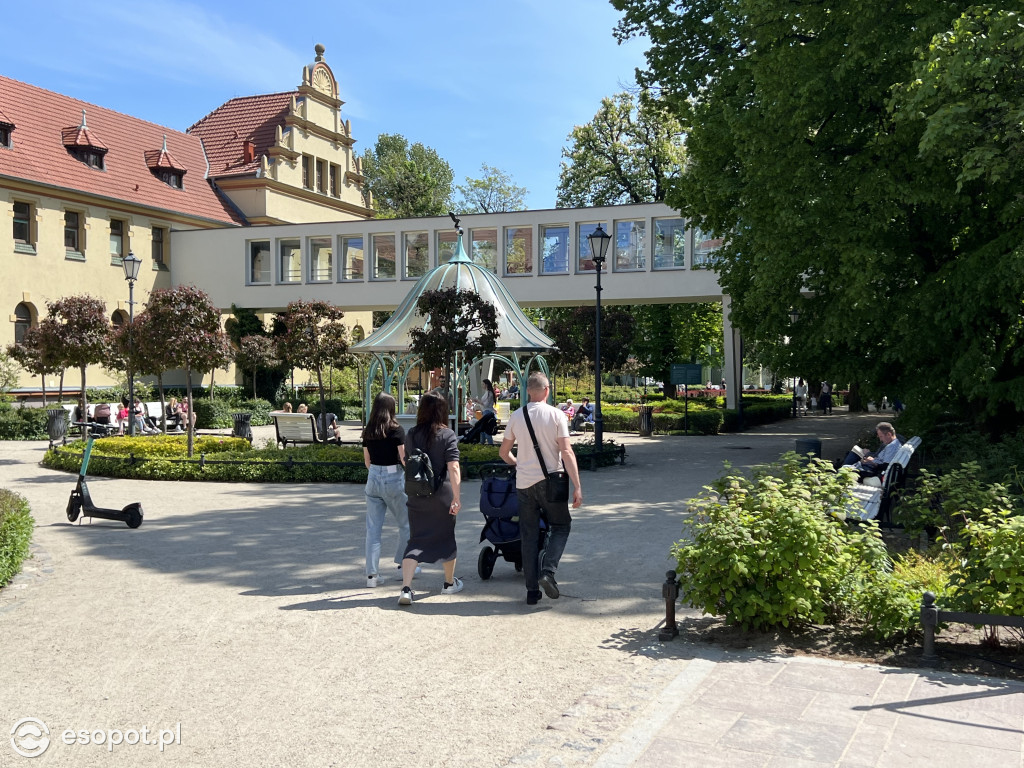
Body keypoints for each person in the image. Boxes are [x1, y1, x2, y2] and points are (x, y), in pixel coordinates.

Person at [499, 372, 583, 605]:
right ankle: (548, 571)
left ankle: (531, 591)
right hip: (551, 482)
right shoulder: (557, 415)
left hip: (524, 484)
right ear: (547, 390)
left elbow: (503, 453)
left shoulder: (517, 416)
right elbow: (566, 452)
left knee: (528, 536)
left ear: (528, 391)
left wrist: (519, 464)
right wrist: (577, 486)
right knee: (561, 526)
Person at [398, 391, 463, 605]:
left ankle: (406, 589)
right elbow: (453, 467)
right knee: (446, 536)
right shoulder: (448, 435)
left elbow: (407, 462)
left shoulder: (412, 433)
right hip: (441, 494)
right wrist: (457, 496)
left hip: (417, 493)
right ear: (443, 411)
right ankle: (448, 583)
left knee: (416, 539)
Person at [361, 393, 412, 588]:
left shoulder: (368, 430)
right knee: (405, 523)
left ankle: (372, 576)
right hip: (393, 477)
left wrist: (377, 472)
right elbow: (404, 459)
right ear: (391, 408)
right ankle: (403, 566)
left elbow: (367, 462)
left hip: (373, 477)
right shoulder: (397, 430)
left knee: (373, 529)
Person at [470, 378, 497, 445]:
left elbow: (486, 404)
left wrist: (477, 401)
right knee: (482, 429)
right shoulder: (487, 393)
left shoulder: (489, 393)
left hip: (487, 412)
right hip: (486, 412)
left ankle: (489, 444)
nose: (482, 385)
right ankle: (483, 443)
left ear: (486, 385)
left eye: (483, 384)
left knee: (485, 430)